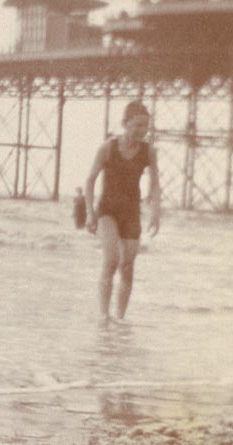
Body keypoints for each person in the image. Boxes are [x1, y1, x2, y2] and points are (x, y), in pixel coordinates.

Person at [84, 100, 161, 322]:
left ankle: (120, 318)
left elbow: (155, 184)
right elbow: (90, 181)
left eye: (145, 126)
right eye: (137, 125)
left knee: (128, 266)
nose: (142, 131)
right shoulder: (108, 148)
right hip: (107, 210)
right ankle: (103, 315)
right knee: (112, 260)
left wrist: (156, 213)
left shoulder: (148, 151)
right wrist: (90, 213)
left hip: (131, 212)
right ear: (125, 124)